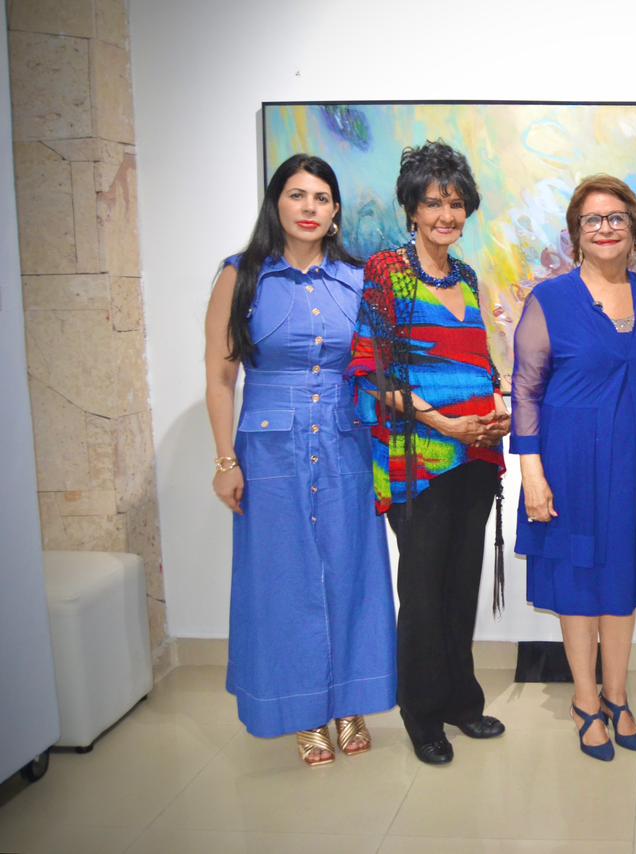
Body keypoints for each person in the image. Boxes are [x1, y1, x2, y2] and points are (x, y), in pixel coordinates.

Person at [205, 154, 396, 767]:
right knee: (281, 578)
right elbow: (220, 377)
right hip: (269, 448)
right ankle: (302, 712)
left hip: (346, 440)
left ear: (335, 211)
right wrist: (225, 461)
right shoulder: (241, 275)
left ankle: (349, 702)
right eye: (297, 195)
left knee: (354, 571)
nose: (309, 207)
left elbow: (379, 368)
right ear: (276, 203)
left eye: (321, 197)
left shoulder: (359, 279)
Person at [511, 174, 636, 761]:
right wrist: (532, 474)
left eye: (617, 218)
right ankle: (585, 701)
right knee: (578, 581)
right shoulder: (550, 300)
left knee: (624, 578)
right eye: (593, 219)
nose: (606, 228)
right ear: (576, 233)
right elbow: (526, 390)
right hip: (570, 463)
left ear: (635, 229)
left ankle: (617, 694)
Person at [347, 140, 509, 767]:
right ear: (411, 208)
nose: (447, 214)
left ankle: (461, 701)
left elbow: (479, 363)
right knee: (421, 591)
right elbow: (374, 371)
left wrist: (493, 413)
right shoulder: (387, 271)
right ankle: (420, 714)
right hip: (419, 459)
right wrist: (445, 423)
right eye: (434, 202)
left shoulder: (465, 277)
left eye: (456, 203)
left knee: (460, 586)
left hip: (475, 457)